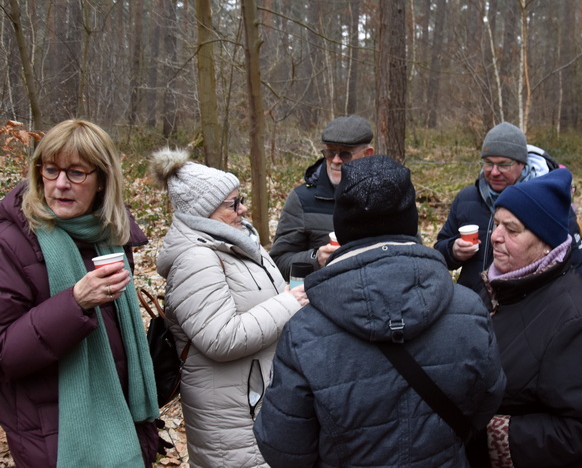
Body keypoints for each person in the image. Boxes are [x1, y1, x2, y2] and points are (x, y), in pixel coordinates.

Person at [253, 155, 506, 467]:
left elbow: (283, 446)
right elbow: (488, 398)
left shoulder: (304, 331)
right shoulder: (468, 308)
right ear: (410, 220)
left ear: (341, 225)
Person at [0, 119, 159, 467]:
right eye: (51, 170)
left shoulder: (110, 235)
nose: (60, 184)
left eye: (76, 173)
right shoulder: (11, 243)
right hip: (53, 435)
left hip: (125, 421)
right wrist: (75, 303)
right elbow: (6, 354)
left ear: (101, 180)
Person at [150, 148, 305, 468]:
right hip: (231, 416)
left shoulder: (237, 242)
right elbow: (220, 337)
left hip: (259, 403)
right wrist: (289, 303)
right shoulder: (196, 259)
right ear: (204, 212)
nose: (244, 208)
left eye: (241, 198)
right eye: (233, 203)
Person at [469, 167, 582, 468]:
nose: (495, 236)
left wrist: (493, 434)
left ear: (546, 242)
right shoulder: (497, 285)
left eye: (511, 230)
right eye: (496, 223)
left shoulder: (577, 318)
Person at [435, 121, 582, 309]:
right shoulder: (468, 198)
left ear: (522, 163)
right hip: (471, 307)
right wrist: (453, 251)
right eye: (488, 163)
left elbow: (575, 266)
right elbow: (439, 251)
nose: (494, 172)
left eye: (504, 165)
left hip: (526, 309)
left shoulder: (546, 204)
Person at [269, 115, 375, 280]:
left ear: (368, 154)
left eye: (345, 154)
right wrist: (315, 258)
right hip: (323, 299)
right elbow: (277, 263)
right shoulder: (302, 200)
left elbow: (411, 249)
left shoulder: (385, 197)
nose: (335, 161)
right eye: (330, 153)